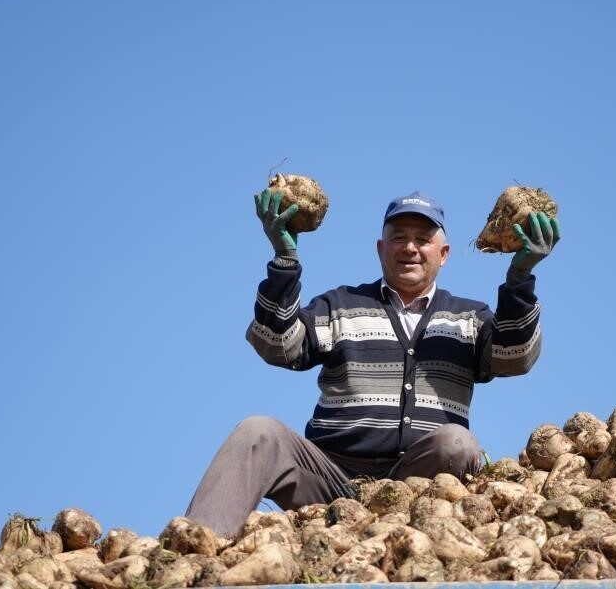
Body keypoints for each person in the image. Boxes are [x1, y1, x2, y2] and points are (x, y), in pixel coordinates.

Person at [185, 189, 560, 536]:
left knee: (457, 443)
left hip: (419, 484)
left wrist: (519, 279)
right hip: (329, 479)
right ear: (381, 248)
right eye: (399, 237)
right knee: (257, 431)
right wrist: (285, 262)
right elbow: (277, 345)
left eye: (423, 239)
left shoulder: (468, 317)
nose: (410, 247)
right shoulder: (340, 305)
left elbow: (514, 357)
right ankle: (195, 547)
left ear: (443, 255)